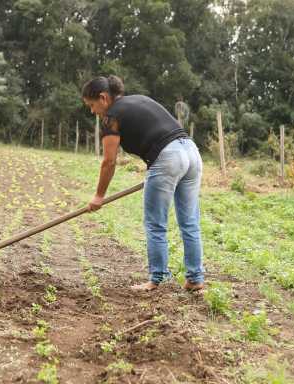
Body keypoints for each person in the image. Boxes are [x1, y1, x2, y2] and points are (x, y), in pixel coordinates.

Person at [81, 75, 205, 292]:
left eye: (92, 105)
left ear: (103, 98)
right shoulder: (139, 99)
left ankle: (158, 279)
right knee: (190, 222)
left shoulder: (111, 116)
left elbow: (109, 161)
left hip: (168, 157)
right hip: (191, 152)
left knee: (155, 223)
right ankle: (195, 279)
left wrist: (99, 196)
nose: (92, 111)